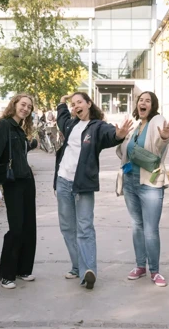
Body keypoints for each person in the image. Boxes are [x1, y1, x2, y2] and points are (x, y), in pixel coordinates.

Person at [54, 92, 132, 289]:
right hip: (63, 181)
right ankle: (76, 266)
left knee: (85, 227)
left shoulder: (97, 126)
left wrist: (119, 134)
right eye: (73, 104)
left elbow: (110, 135)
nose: (76, 106)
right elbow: (62, 117)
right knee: (67, 228)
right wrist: (62, 102)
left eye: (79, 102)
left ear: (89, 104)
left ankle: (88, 271)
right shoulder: (71, 124)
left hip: (82, 185)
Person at [117, 91, 169, 287]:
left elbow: (158, 145)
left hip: (149, 182)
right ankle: (140, 265)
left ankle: (155, 271)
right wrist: (121, 137)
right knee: (137, 226)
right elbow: (123, 152)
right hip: (130, 181)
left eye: (148, 101)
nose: (143, 103)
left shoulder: (157, 120)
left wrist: (165, 138)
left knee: (150, 229)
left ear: (153, 105)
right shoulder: (135, 127)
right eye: (141, 100)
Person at [0, 94, 38, 289]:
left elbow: (17, 153)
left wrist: (30, 145)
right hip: (13, 182)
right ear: (14, 104)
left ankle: (23, 269)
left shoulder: (20, 128)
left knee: (29, 226)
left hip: (27, 180)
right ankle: (6, 273)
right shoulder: (5, 125)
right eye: (23, 104)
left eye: (29, 107)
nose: (25, 109)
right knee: (16, 227)